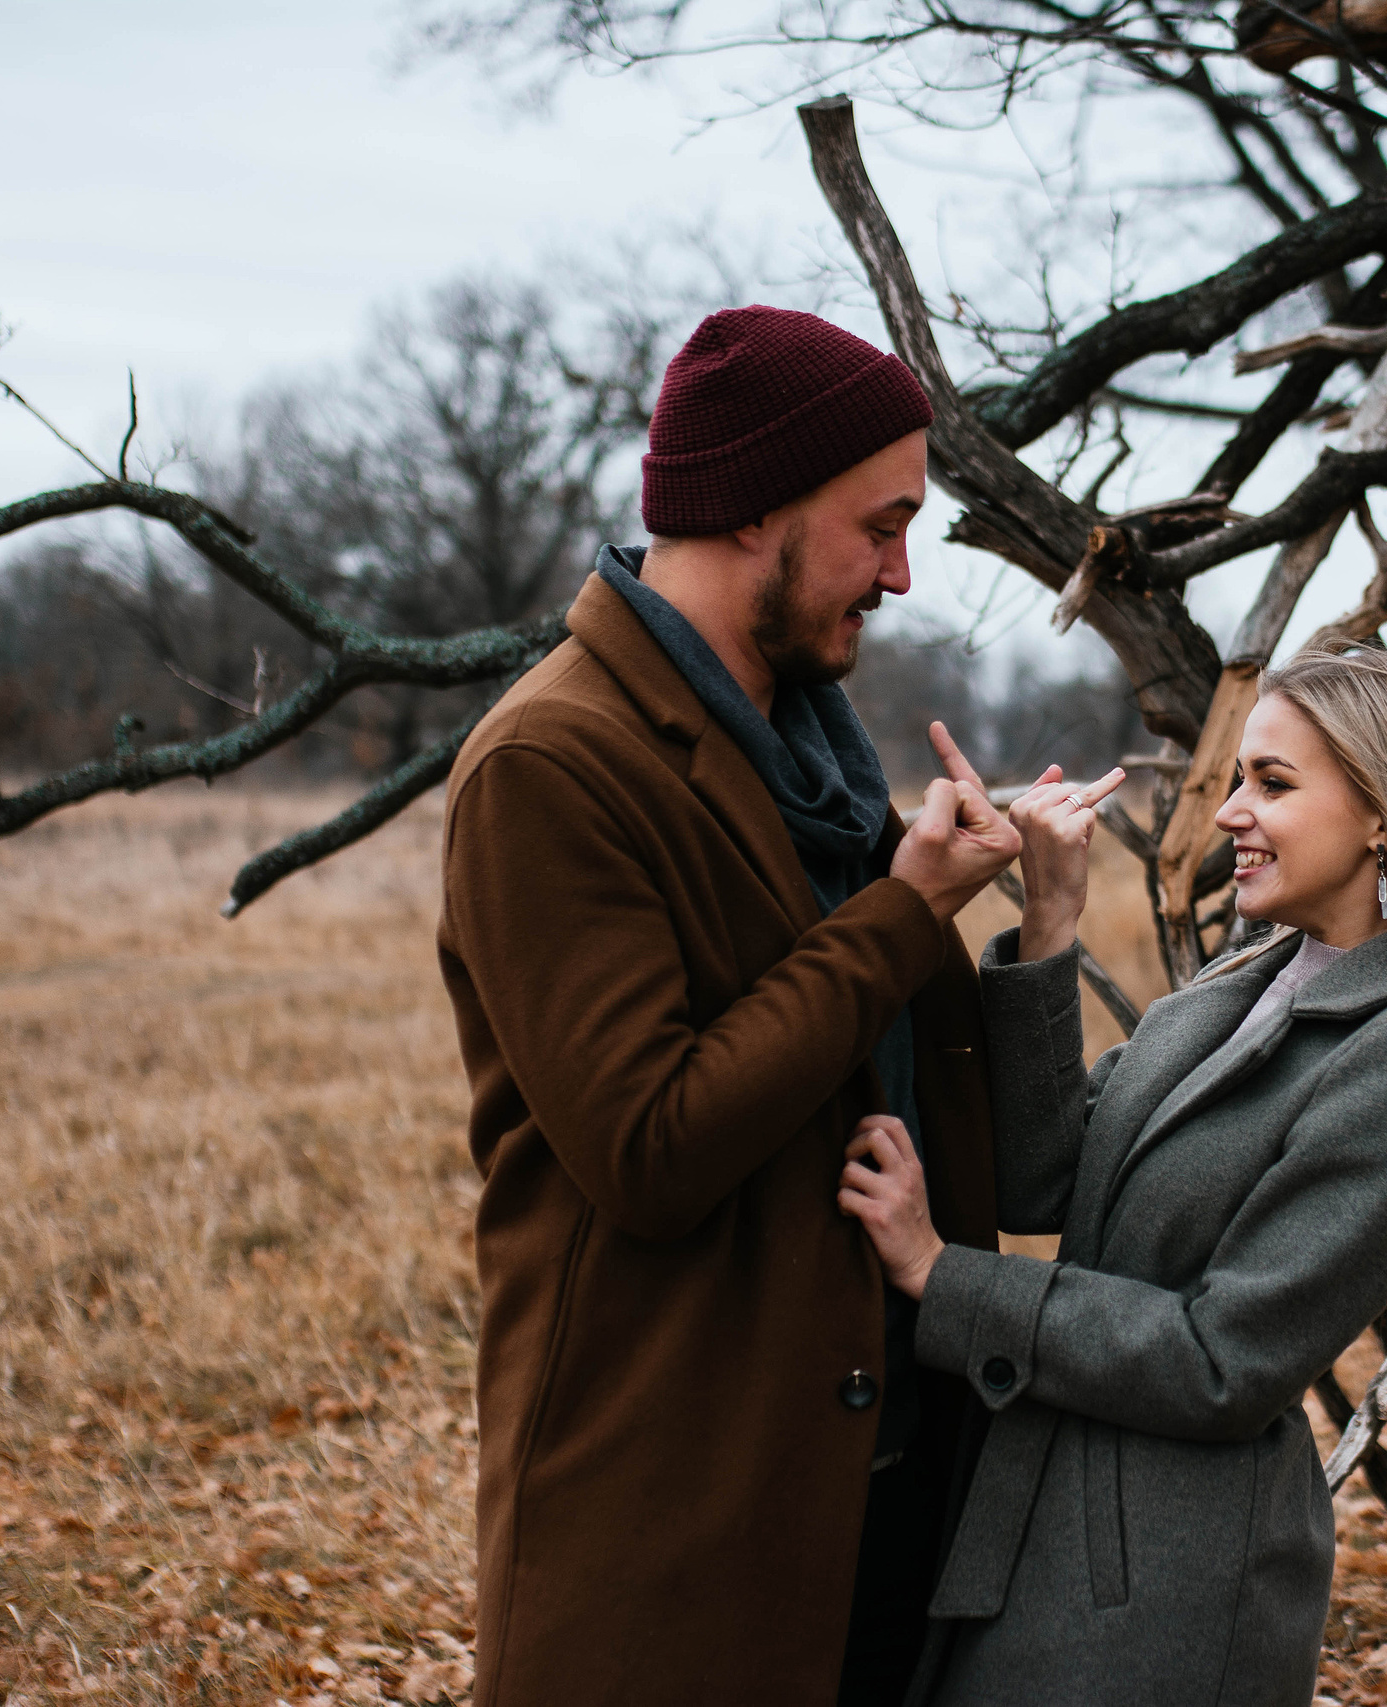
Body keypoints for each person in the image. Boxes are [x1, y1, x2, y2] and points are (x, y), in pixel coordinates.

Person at [437, 306, 1027, 1707]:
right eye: (881, 526)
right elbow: (651, 1144)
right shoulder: (549, 764)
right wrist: (904, 910)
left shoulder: (811, 759)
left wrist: (1032, 927)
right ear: (758, 506)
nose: (900, 574)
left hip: (885, 1501)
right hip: (677, 1531)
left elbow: (906, 1093)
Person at [838, 644, 1387, 1707]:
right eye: (1239, 777)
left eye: (1273, 783)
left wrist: (944, 1277)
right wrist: (1050, 919)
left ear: (1384, 815)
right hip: (1032, 1528)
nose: (1230, 813)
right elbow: (1045, 1184)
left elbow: (1225, 1361)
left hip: (1164, 1593)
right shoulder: (1239, 982)